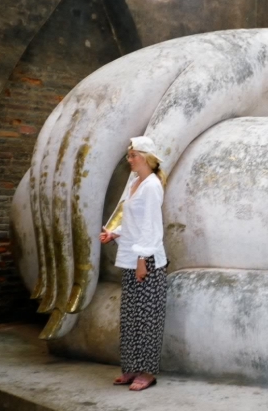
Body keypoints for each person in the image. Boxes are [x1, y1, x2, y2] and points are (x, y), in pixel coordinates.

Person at [99, 136, 168, 391]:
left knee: (147, 318)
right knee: (130, 317)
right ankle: (130, 369)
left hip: (146, 261)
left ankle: (147, 373)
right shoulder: (135, 184)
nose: (129, 160)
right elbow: (133, 223)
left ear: (146, 157)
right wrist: (114, 234)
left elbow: (151, 226)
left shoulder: (151, 185)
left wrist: (142, 260)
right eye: (129, 156)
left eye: (133, 155)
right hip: (132, 259)